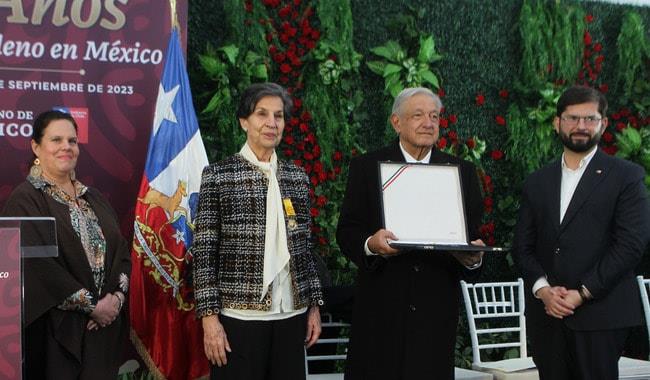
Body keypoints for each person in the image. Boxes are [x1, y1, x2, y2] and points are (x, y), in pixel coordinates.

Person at [336, 87, 485, 379]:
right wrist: (371, 244)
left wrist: (472, 258)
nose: (428, 123)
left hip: (435, 312)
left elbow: (471, 236)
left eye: (434, 116)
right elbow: (347, 231)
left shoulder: (461, 171)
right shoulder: (367, 167)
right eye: (418, 115)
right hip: (380, 309)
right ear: (396, 122)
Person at [514, 85, 650, 380]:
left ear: (603, 123)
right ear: (557, 122)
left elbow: (631, 244)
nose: (581, 126)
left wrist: (583, 293)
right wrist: (543, 291)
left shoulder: (626, 176)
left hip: (601, 315)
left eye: (590, 119)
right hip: (547, 318)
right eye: (572, 118)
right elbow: (522, 247)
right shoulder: (537, 182)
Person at [193, 82, 324, 380]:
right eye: (262, 114)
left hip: (291, 317)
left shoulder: (296, 176)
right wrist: (209, 320)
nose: (271, 123)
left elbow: (305, 248)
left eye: (278, 116)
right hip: (239, 320)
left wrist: (314, 306)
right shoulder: (219, 175)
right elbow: (203, 254)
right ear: (244, 121)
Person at [1, 110, 131, 379]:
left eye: (72, 141)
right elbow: (35, 266)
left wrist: (115, 301)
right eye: (56, 140)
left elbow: (121, 252)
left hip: (102, 333)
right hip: (55, 337)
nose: (66, 147)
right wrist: (91, 306)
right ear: (36, 146)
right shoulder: (25, 199)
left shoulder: (93, 197)